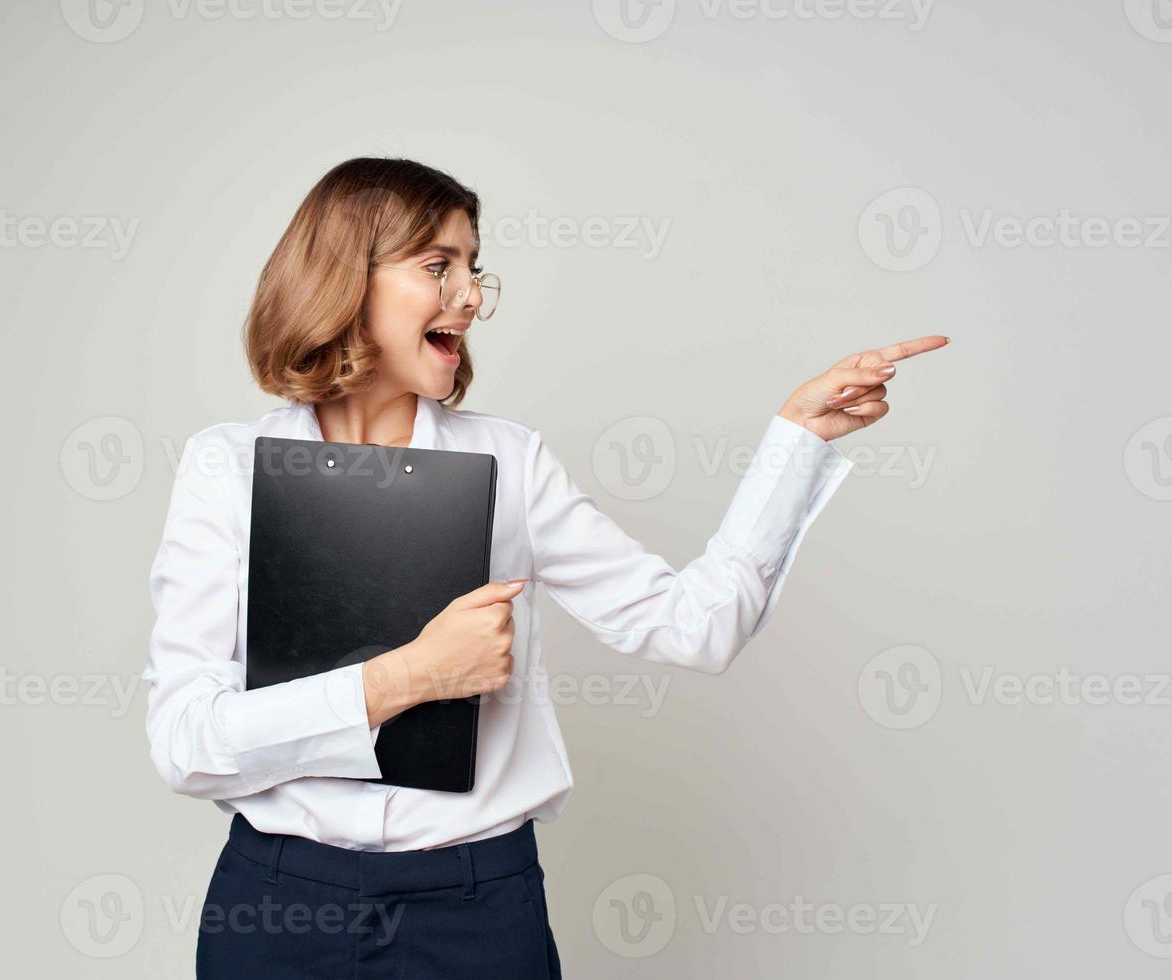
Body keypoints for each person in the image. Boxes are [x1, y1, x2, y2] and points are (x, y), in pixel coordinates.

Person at [142, 156, 949, 978]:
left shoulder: (511, 462)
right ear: (346, 280)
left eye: (473, 267)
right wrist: (409, 677)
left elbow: (695, 628)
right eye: (437, 266)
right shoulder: (226, 468)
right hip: (279, 910)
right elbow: (186, 743)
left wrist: (796, 443)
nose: (470, 296)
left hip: (477, 912)